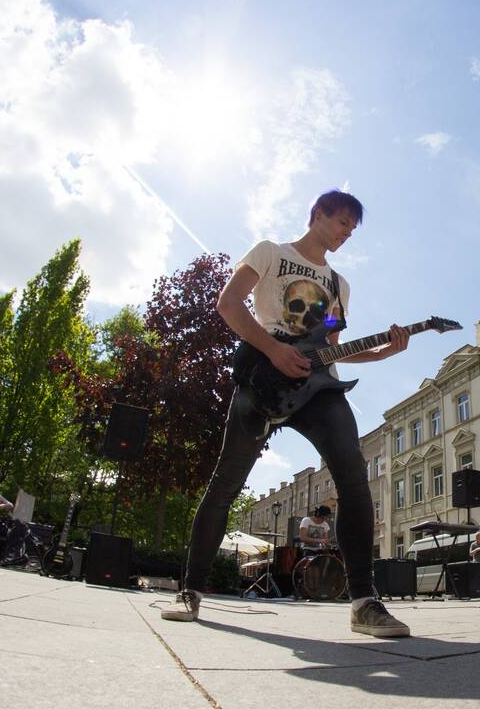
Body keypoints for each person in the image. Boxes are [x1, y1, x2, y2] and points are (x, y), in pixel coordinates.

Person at [161, 190, 412, 638]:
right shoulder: (270, 253)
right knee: (226, 482)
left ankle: (363, 603)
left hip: (320, 388)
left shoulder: (339, 286)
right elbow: (229, 303)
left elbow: (333, 345)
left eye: (352, 229)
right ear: (318, 215)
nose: (346, 233)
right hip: (263, 375)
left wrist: (384, 353)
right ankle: (190, 591)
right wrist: (274, 350)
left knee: (354, 476)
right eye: (341, 222)